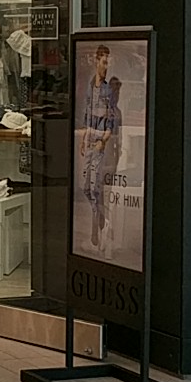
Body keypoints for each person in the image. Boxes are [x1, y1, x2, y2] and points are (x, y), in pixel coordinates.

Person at [80, 43, 115, 248]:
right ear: (97, 61)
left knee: (94, 188)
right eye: (103, 62)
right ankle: (99, 219)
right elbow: (87, 114)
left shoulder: (107, 90)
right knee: (85, 187)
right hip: (90, 138)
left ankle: (97, 229)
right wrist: (83, 138)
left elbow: (110, 121)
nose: (105, 67)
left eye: (107, 63)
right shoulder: (90, 86)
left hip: (99, 141)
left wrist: (103, 141)